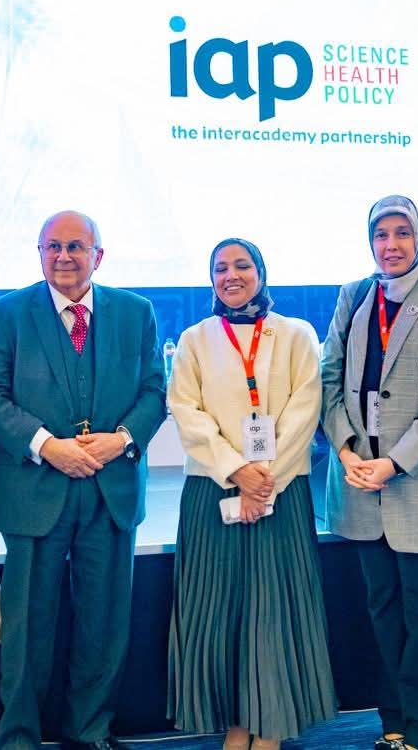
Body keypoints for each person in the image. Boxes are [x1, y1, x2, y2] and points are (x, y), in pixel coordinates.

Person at [0, 210, 166, 750]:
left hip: (111, 490)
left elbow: (155, 390)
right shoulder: (5, 314)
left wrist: (121, 439)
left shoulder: (136, 313)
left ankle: (90, 731)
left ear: (98, 256)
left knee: (104, 624)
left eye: (76, 246)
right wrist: (45, 445)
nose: (63, 256)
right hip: (34, 491)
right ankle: (18, 737)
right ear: (39, 253)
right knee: (28, 627)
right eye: (52, 246)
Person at [167, 238, 337, 750]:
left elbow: (305, 410)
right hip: (211, 490)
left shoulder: (296, 334)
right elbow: (187, 412)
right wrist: (237, 470)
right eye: (220, 268)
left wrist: (264, 482)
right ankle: (235, 725)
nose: (231, 275)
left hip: (281, 492)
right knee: (220, 612)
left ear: (261, 272)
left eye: (242, 265)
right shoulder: (195, 339)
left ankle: (272, 725)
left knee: (274, 609)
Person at [321, 195, 418, 750]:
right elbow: (328, 378)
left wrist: (395, 461)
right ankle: (394, 724)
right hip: (361, 482)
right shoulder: (354, 295)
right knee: (382, 608)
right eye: (381, 235)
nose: (391, 245)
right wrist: (346, 450)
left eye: (402, 233)